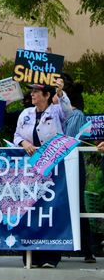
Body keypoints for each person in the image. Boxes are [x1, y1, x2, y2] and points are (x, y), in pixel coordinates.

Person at [13, 79, 72, 268]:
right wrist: (25, 144)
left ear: (47, 95)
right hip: (29, 168)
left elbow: (67, 111)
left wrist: (61, 92)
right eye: (31, 92)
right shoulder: (25, 113)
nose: (32, 95)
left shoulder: (55, 111)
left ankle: (50, 257)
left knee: (49, 209)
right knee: (29, 208)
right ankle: (30, 257)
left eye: (37, 92)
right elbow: (17, 135)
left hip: (52, 167)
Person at [59, 74, 96, 263]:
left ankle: (87, 250)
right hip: (56, 164)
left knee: (77, 203)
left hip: (71, 163)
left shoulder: (77, 115)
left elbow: (69, 139)